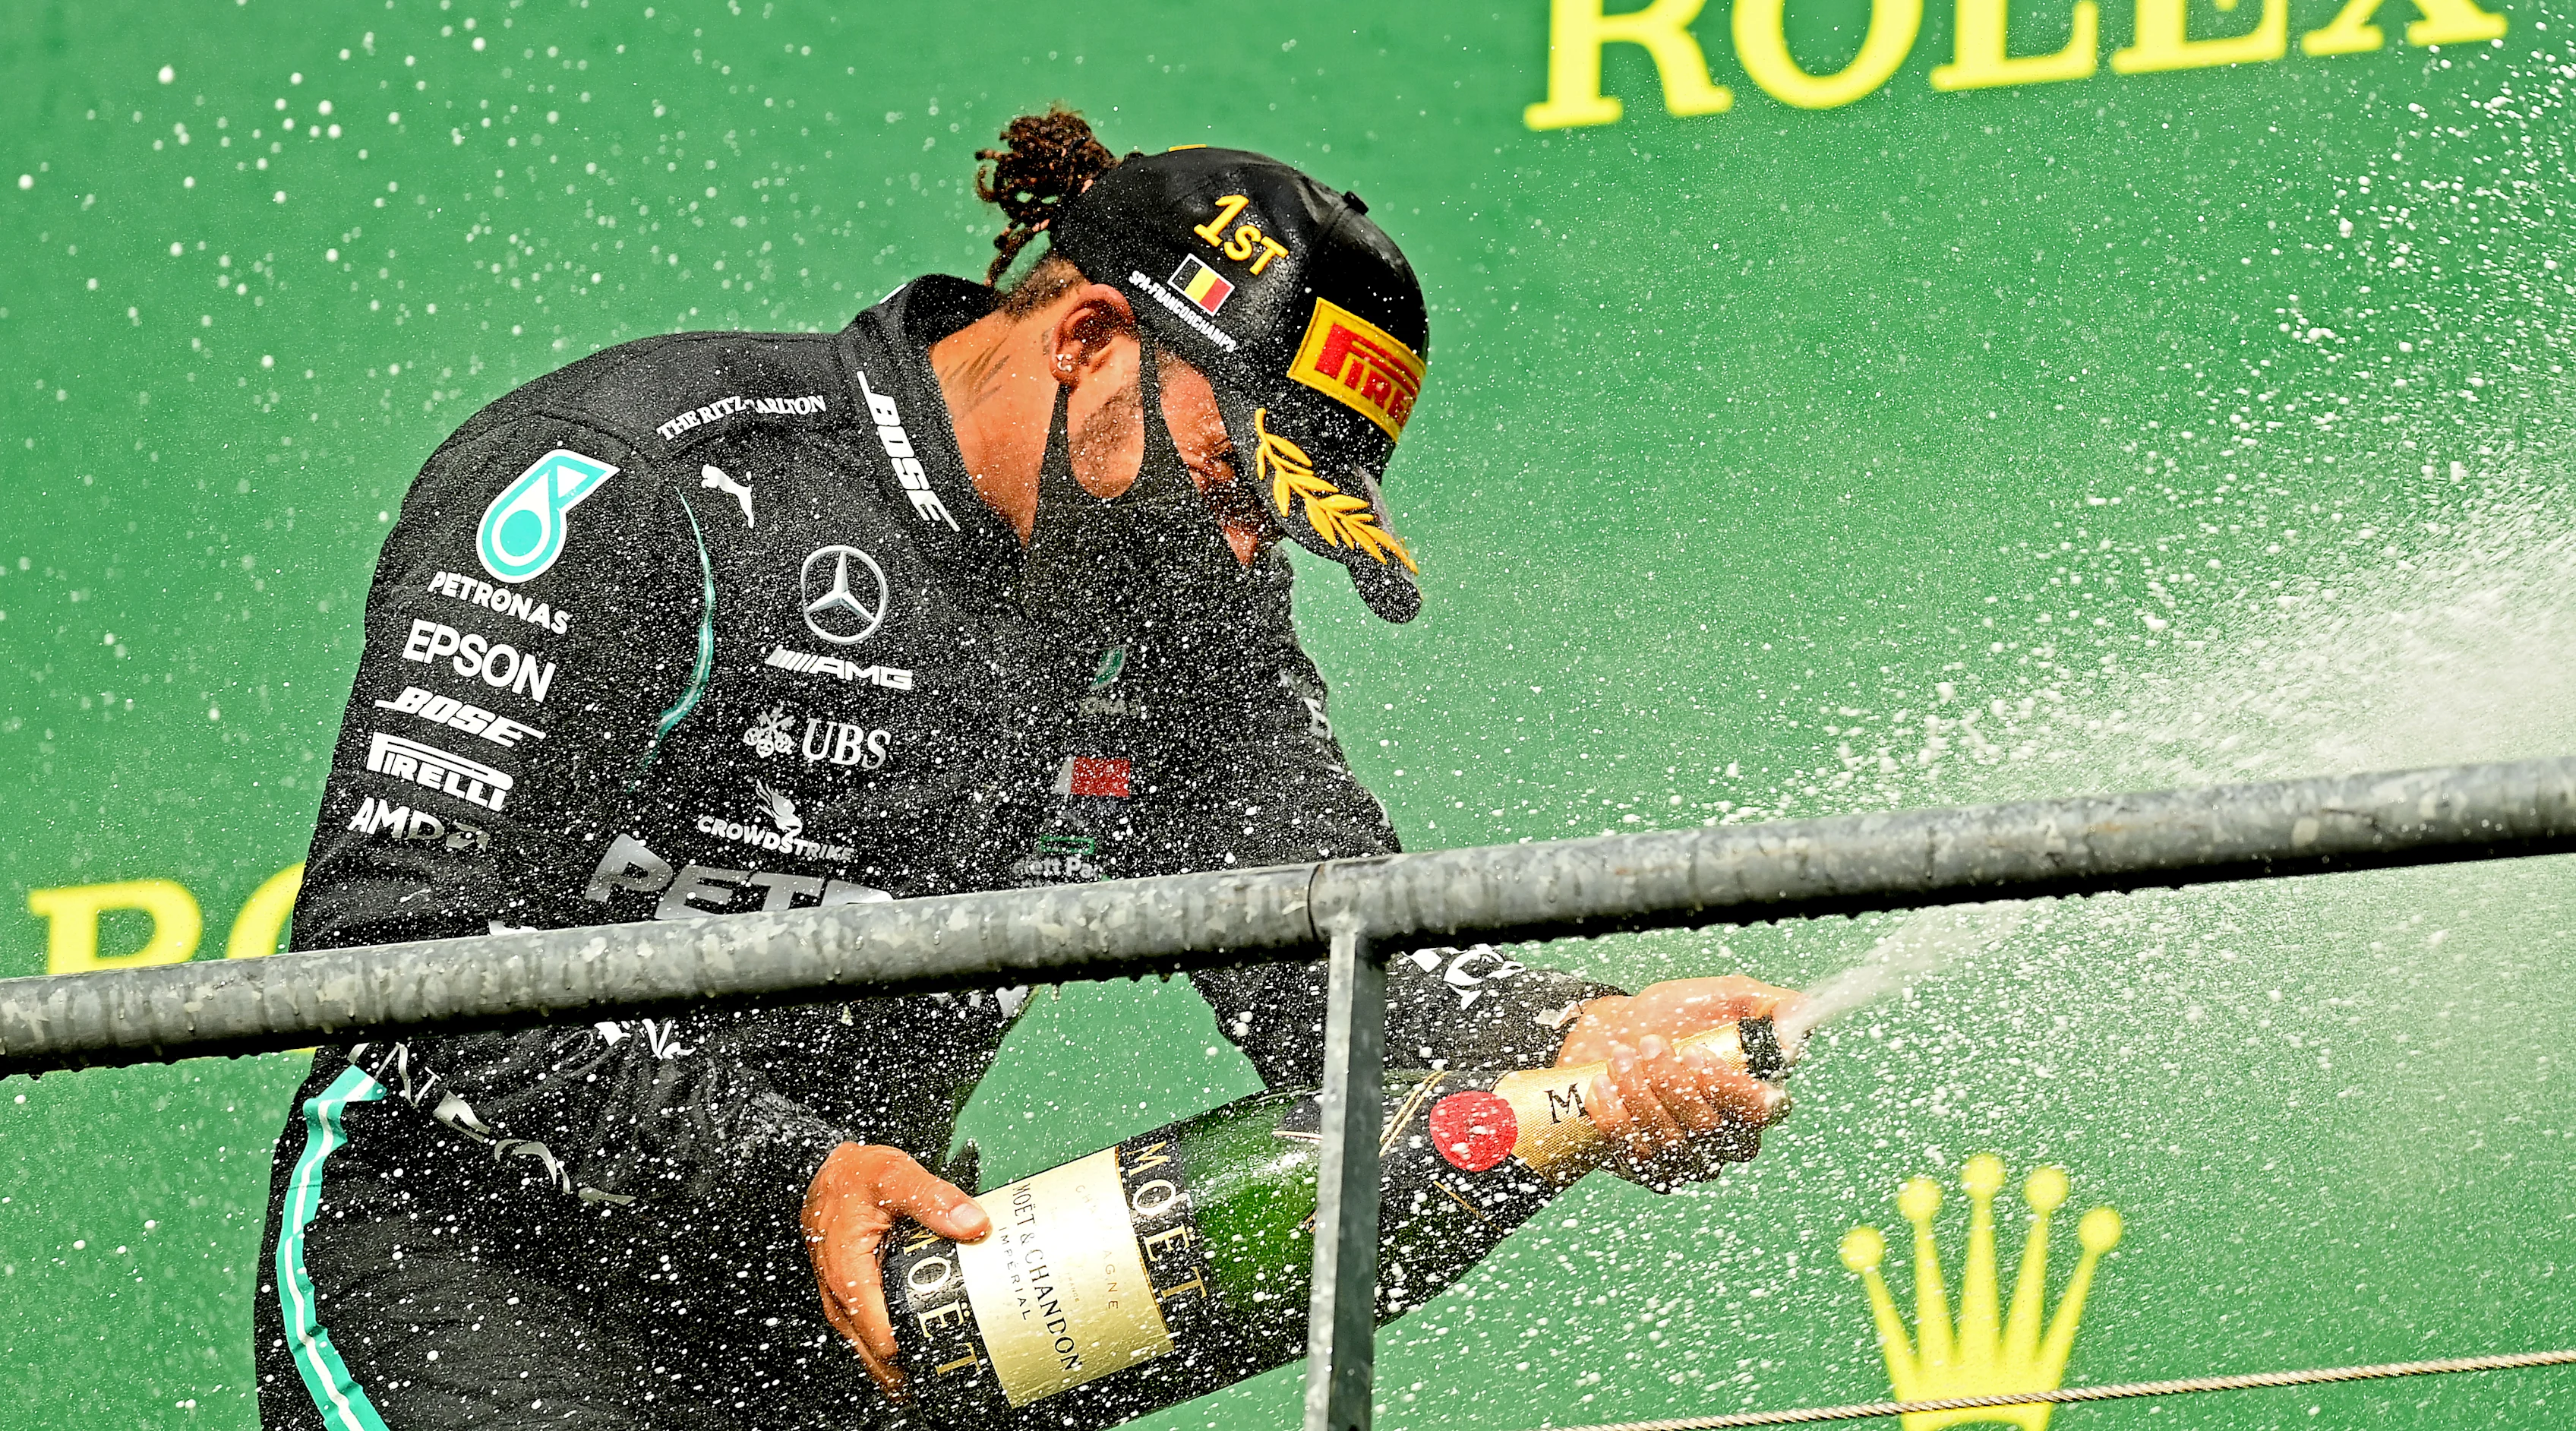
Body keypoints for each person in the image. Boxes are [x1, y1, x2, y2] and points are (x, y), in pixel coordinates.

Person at [253, 107, 1798, 1431]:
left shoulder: (1193, 599)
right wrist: (780, 1167)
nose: (1245, 549)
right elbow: (394, 944)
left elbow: (1315, 949)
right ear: (1085, 338)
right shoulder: (650, 478)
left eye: (1286, 524)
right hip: (473, 1258)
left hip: (859, 1293)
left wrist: (1572, 1032)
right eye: (1228, 482)